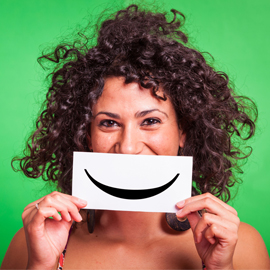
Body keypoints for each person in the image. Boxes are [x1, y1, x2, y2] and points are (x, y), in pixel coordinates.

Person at [1, 5, 269, 270]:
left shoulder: (239, 246)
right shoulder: (33, 244)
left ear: (183, 132)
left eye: (150, 121)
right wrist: (41, 265)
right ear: (86, 136)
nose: (128, 147)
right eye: (108, 123)